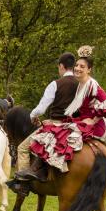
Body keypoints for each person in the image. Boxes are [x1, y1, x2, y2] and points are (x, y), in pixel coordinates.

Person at [17, 46, 106, 183]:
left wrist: (94, 119)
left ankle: (36, 170)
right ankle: (40, 168)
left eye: (82, 66)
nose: (77, 68)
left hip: (92, 126)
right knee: (51, 128)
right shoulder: (80, 85)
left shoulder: (92, 85)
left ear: (89, 70)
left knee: (53, 134)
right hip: (80, 122)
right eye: (77, 65)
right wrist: (53, 121)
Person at [12, 53, 77, 182]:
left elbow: (41, 109)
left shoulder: (55, 84)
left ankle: (22, 184)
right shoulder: (82, 84)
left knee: (22, 148)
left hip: (56, 125)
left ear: (61, 66)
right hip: (75, 127)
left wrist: (33, 115)